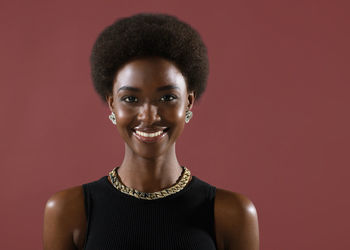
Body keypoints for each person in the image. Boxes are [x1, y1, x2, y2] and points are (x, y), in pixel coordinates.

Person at [43, 13, 259, 250]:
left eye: (167, 97)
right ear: (112, 103)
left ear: (188, 102)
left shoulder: (231, 214)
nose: (148, 116)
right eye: (131, 98)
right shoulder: (69, 212)